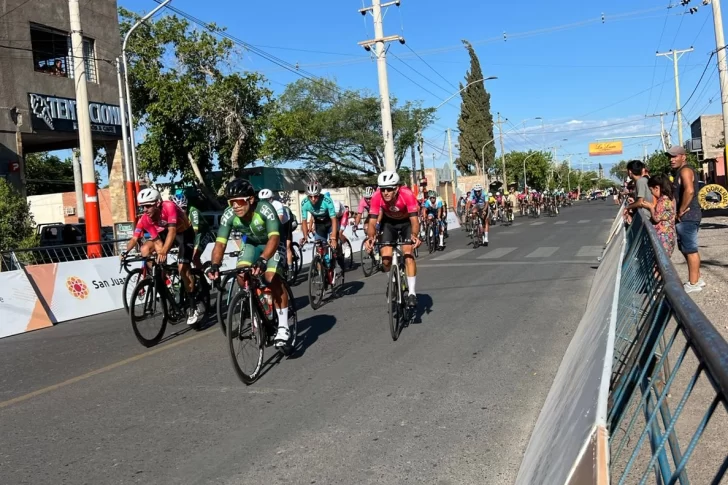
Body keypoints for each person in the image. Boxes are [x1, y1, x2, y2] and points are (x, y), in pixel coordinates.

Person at [207, 179, 291, 347]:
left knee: (271, 277)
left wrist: (263, 260)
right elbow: (220, 243)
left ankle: (283, 325)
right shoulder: (229, 215)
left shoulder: (265, 210)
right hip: (252, 244)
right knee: (241, 275)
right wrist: (214, 264)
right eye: (231, 202)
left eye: (238, 201)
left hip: (272, 242)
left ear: (251, 199)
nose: (234, 206)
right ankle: (256, 310)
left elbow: (274, 237)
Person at [124, 188, 202, 325]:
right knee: (147, 250)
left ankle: (193, 305)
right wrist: (126, 253)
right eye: (142, 206)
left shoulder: (168, 206)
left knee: (182, 268)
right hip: (166, 234)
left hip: (184, 233)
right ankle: (164, 280)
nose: (145, 209)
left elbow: (172, 231)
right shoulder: (145, 219)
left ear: (158, 203)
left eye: (148, 205)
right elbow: (157, 241)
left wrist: (164, 251)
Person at [364, 171, 421, 307]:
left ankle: (412, 292)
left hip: (406, 222)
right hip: (389, 223)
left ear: (397, 188)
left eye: (389, 189)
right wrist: (370, 238)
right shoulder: (377, 196)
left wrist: (415, 236)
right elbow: (372, 222)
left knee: (408, 253)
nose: (386, 192)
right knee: (386, 258)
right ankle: (392, 282)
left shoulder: (406, 194)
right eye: (383, 189)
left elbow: (414, 221)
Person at [667, 146, 705, 293]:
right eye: (670, 157)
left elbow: (689, 191)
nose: (672, 159)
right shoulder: (680, 172)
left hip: (688, 216)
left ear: (684, 156)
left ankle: (693, 283)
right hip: (687, 216)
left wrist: (681, 210)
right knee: (685, 248)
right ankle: (697, 278)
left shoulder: (685, 170)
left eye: (675, 156)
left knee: (690, 249)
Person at [300, 182, 341, 278]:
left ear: (319, 194)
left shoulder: (327, 200)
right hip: (319, 225)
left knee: (334, 244)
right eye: (310, 197)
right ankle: (323, 274)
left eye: (316, 196)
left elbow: (334, 219)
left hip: (330, 223)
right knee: (320, 249)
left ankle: (338, 261)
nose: (313, 199)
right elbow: (304, 221)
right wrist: (305, 236)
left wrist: (334, 237)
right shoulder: (304, 203)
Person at [172, 193, 212, 270]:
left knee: (194, 257)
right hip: (189, 234)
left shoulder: (193, 211)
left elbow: (195, 231)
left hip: (202, 233)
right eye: (178, 209)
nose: (182, 211)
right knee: (183, 258)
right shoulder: (172, 214)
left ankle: (201, 277)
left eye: (184, 208)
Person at [258, 189, 294, 270]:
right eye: (262, 200)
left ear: (271, 198)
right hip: (272, 225)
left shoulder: (277, 204)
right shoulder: (260, 206)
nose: (264, 202)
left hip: (285, 224)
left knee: (287, 246)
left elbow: (279, 220)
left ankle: (290, 268)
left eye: (266, 200)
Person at [643, 175, 676, 257]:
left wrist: (650, 207)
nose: (651, 193)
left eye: (651, 190)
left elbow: (656, 218)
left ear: (657, 188)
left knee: (660, 261)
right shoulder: (669, 199)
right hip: (669, 235)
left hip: (663, 237)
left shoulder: (662, 201)